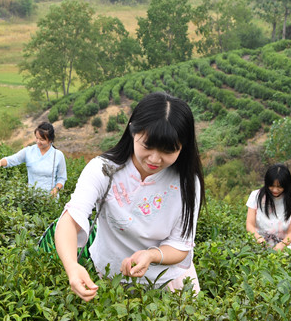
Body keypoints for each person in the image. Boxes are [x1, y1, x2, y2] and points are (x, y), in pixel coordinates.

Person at [54, 93, 204, 302]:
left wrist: (151, 255)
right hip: (113, 276)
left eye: (169, 150)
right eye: (147, 145)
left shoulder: (187, 182)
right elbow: (70, 221)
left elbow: (180, 246)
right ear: (133, 130)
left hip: (169, 281)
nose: (154, 159)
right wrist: (72, 266)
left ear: (183, 147)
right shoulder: (104, 169)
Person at [0, 122, 66, 196]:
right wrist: (0, 162)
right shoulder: (28, 151)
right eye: (37, 138)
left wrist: (56, 189)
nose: (38, 142)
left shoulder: (58, 155)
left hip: (50, 199)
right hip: (31, 198)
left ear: (50, 140)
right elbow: (12, 160)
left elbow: (62, 178)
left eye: (42, 139)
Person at [246, 163, 291, 252]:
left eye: (279, 187)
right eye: (272, 185)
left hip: (284, 248)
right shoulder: (256, 196)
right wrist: (257, 237)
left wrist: (282, 245)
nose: (275, 190)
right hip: (258, 246)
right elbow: (249, 224)